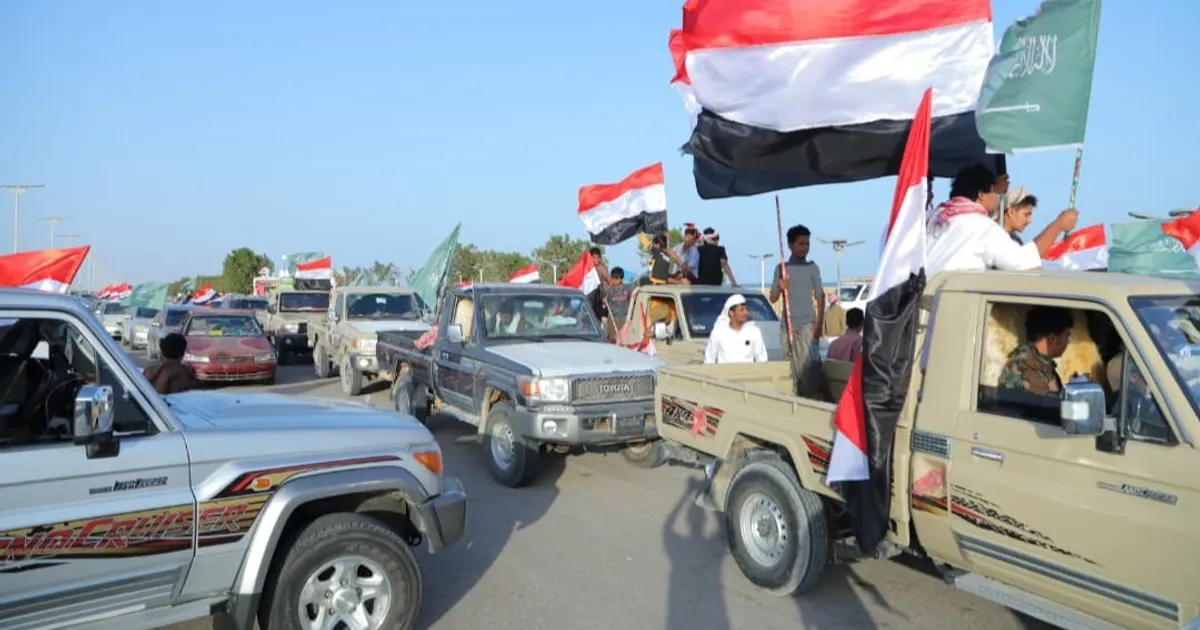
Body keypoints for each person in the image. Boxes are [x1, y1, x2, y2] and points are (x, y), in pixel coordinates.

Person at [926, 163, 1079, 275]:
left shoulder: (934, 216)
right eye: (994, 192)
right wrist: (1059, 224)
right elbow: (1021, 263)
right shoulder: (982, 227)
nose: (998, 197)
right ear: (981, 195)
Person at [770, 224, 825, 396]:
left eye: (807, 243)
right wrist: (780, 286)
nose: (805, 247)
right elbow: (772, 298)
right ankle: (795, 396)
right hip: (787, 325)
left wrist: (819, 325)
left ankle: (809, 398)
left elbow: (820, 296)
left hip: (806, 324)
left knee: (806, 366)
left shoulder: (812, 268)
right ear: (790, 245)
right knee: (790, 364)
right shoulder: (781, 269)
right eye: (801, 244)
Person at [999, 306, 1073, 395]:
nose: (1068, 342)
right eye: (1066, 336)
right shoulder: (1023, 367)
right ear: (1052, 339)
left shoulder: (1041, 365)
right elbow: (1049, 401)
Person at [704, 294, 768, 364]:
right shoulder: (718, 333)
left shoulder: (754, 332)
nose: (746, 313)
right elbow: (709, 360)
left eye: (746, 309)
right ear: (731, 313)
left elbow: (762, 359)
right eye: (741, 310)